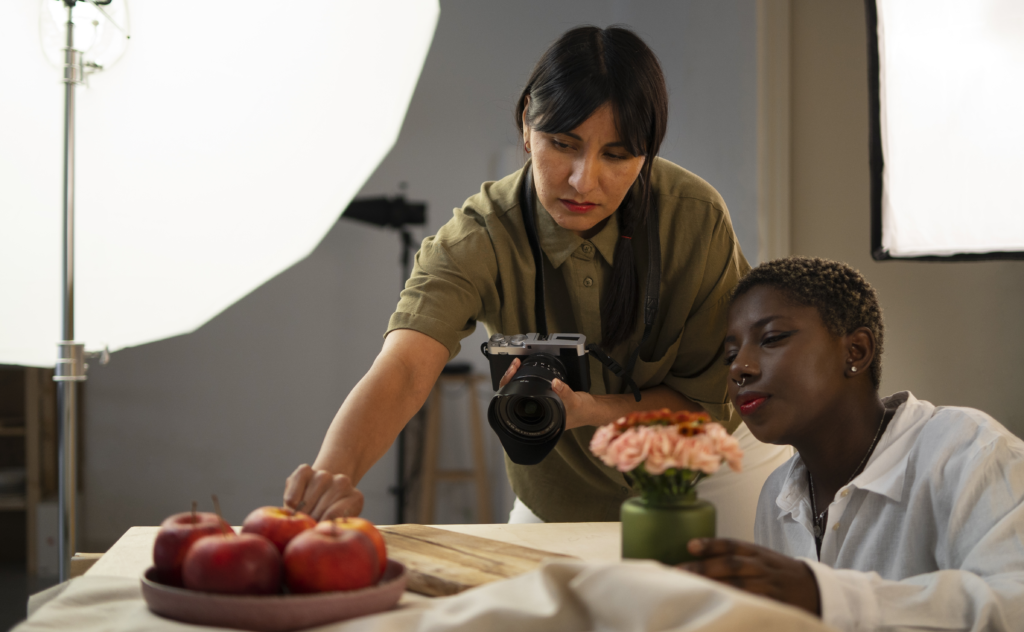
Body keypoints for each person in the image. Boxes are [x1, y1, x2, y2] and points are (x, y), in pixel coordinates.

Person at [283, 25, 791, 534]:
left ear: (648, 152)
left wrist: (592, 409)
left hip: (707, 470)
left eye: (616, 156)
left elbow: (706, 403)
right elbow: (404, 371)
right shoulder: (477, 237)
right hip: (563, 493)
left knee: (746, 607)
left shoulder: (694, 217)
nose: (582, 180)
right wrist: (330, 477)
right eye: (562, 144)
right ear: (527, 123)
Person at [682, 256, 1024, 632]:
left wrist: (826, 598)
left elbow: (1015, 620)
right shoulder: (776, 496)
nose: (739, 368)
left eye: (771, 339)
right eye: (731, 353)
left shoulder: (969, 452)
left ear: (856, 351)